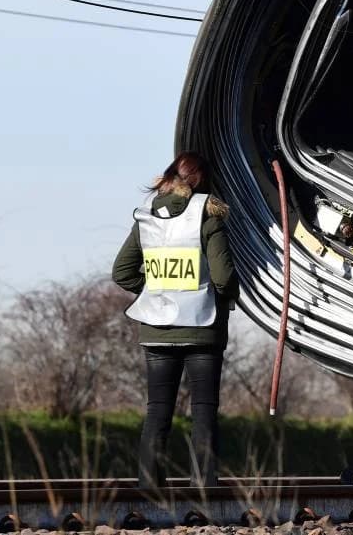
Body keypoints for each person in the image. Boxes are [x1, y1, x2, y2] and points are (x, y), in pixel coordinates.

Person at [113, 151, 238, 489]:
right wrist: (223, 297)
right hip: (203, 329)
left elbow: (122, 272)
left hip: (156, 329)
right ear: (203, 181)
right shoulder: (207, 215)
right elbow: (224, 277)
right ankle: (204, 486)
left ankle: (149, 486)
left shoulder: (147, 217)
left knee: (157, 410)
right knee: (203, 410)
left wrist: (155, 290)